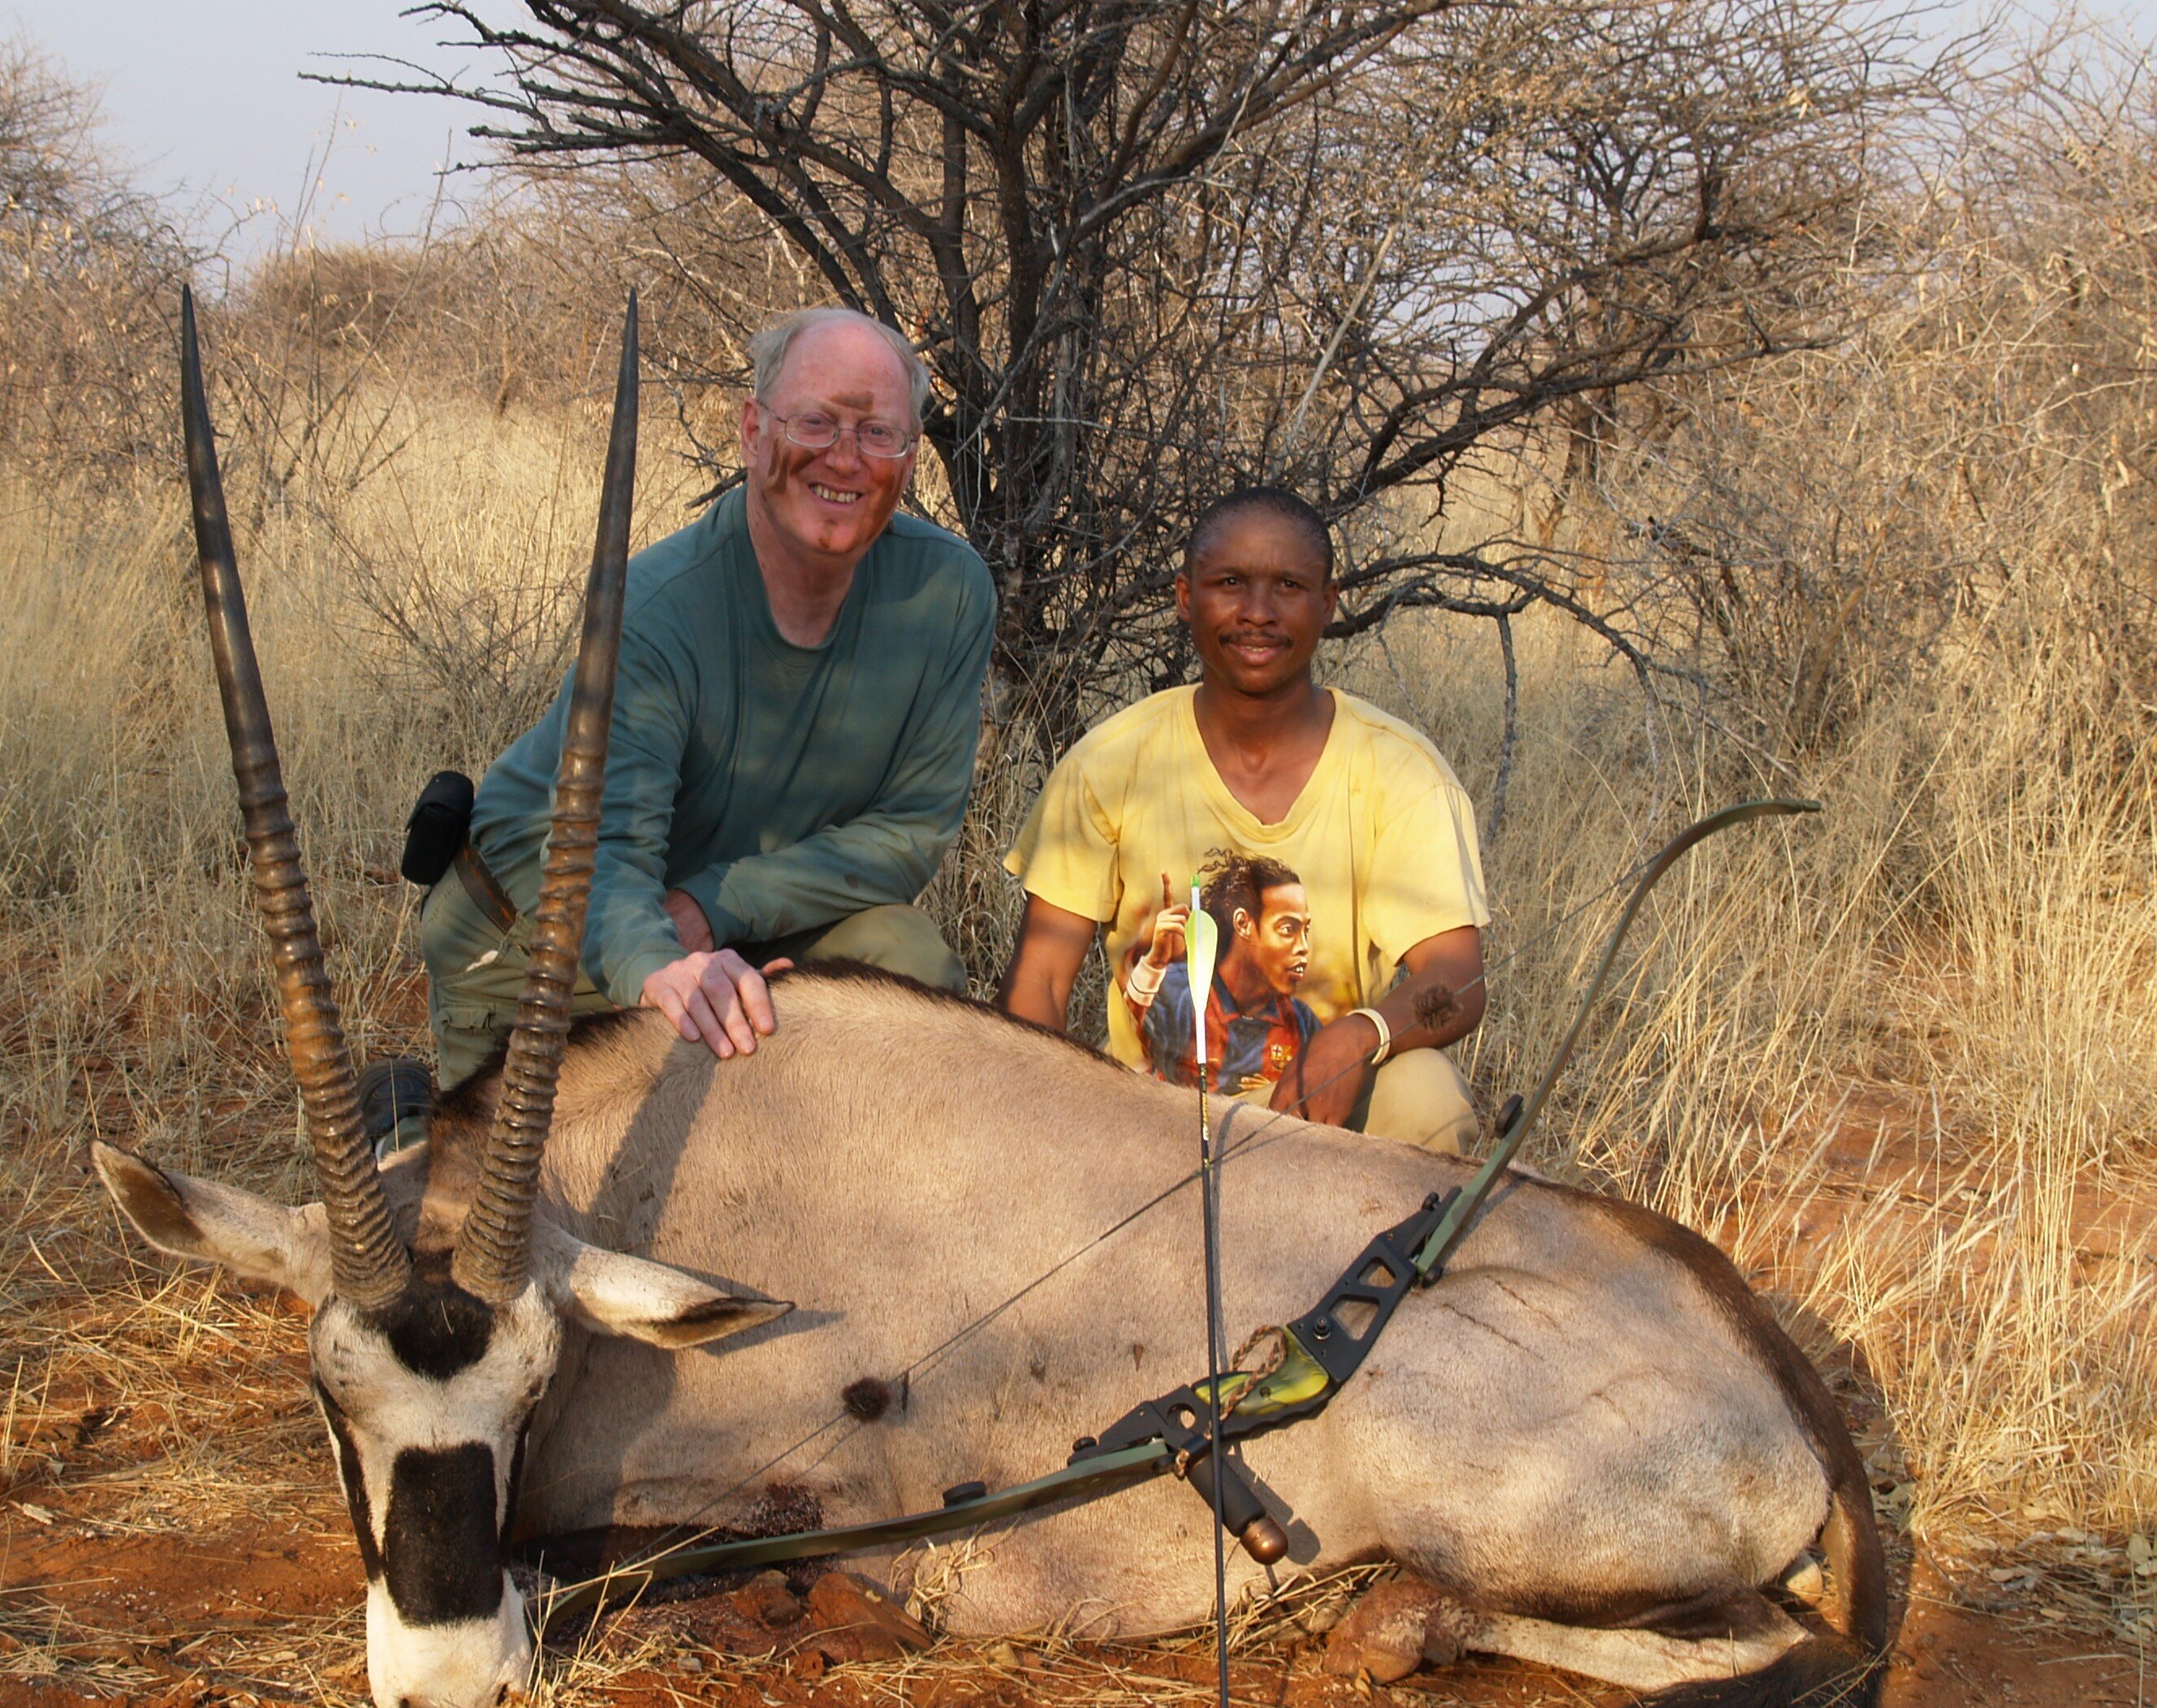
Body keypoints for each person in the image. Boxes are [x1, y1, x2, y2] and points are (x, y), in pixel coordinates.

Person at [416, 307, 995, 1089]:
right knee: (523, 1195)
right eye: (816, 423)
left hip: (724, 924)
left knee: (909, 961)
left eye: (877, 434)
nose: (847, 458)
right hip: (542, 935)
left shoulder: (951, 590)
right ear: (753, 431)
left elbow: (910, 831)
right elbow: (605, 857)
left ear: (911, 455)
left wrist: (716, 906)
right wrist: (663, 967)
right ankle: (402, 1118)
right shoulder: (654, 606)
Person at [999, 484, 1490, 1151]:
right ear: (1184, 598)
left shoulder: (1400, 771)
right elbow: (1042, 980)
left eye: (1288, 585)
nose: (1258, 613)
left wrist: (1359, 1036)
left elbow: (1456, 973)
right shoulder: (1108, 765)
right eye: (1230, 582)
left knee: (1428, 1096)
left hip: (1323, 1116)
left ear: (1327, 604)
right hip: (1147, 1126)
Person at [1130, 852, 1321, 1102]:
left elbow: (1323, 1091)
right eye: (1288, 929)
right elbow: (1135, 1029)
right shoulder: (1179, 989)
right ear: (1243, 923)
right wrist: (1154, 962)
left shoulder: (1301, 1021)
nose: (1303, 946)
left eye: (1305, 930)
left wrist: (1277, 1092)